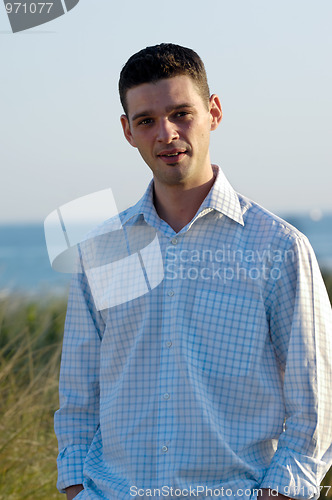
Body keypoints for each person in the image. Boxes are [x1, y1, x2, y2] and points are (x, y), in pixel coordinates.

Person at [54, 43, 332, 500]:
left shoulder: (279, 247)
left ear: (214, 112)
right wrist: (78, 489)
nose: (166, 133)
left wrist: (279, 494)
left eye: (181, 113)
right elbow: (80, 398)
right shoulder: (101, 251)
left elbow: (317, 401)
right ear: (127, 130)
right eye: (146, 120)